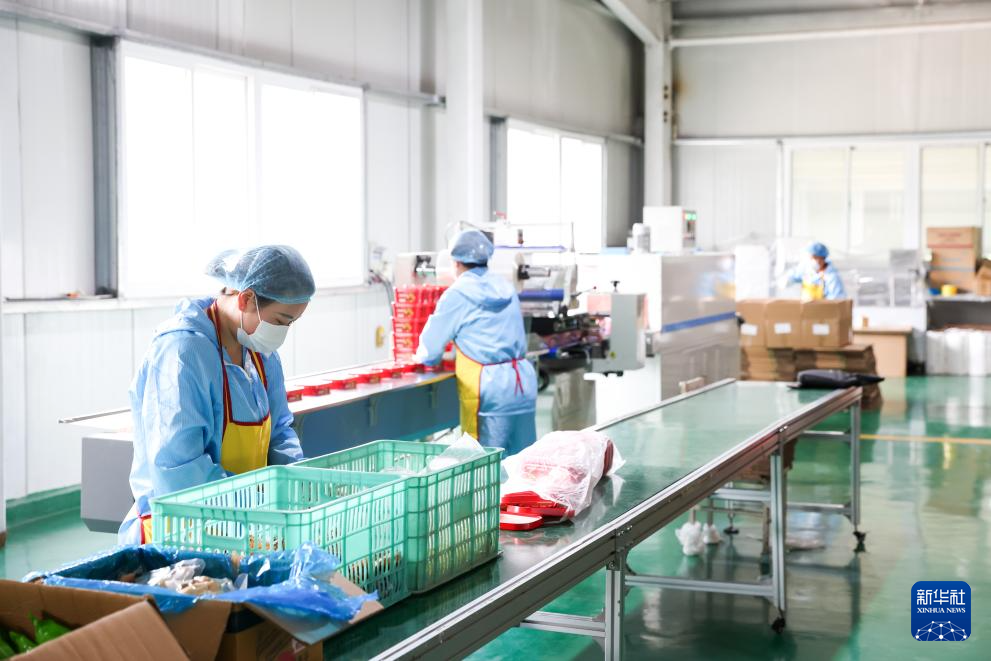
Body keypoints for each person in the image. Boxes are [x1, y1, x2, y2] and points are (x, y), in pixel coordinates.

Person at [119, 245, 314, 544]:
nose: (282, 332)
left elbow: (280, 432)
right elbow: (179, 472)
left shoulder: (260, 352)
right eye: (279, 321)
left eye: (291, 323)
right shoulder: (182, 353)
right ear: (246, 299)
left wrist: (296, 487)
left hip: (242, 526)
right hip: (180, 531)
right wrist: (257, 506)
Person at [414, 230, 538, 456]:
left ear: (456, 263)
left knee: (483, 460)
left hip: (487, 388)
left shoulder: (457, 294)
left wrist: (426, 357)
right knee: (522, 460)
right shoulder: (506, 287)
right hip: (521, 383)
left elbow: (430, 350)